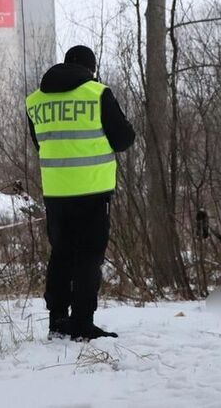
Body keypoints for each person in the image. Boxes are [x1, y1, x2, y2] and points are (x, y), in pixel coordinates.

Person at [25, 45, 135, 340]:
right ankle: (83, 323)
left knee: (61, 255)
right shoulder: (97, 93)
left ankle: (58, 321)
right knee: (88, 258)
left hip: (56, 192)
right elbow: (124, 139)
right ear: (91, 68)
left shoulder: (35, 101)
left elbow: (41, 143)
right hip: (92, 190)